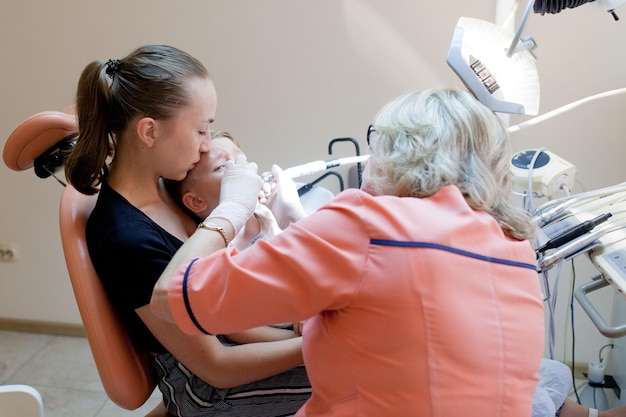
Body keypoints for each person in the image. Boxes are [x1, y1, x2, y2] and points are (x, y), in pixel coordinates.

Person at [151, 87, 546, 416]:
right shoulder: (517, 249)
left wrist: (232, 209)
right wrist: (297, 226)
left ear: (395, 150)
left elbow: (172, 297)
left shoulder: (365, 224)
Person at [64, 44, 311, 417]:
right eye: (200, 130)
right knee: (363, 368)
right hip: (205, 390)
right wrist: (320, 342)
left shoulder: (167, 190)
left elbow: (224, 305)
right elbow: (216, 367)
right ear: (149, 131)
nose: (207, 144)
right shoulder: (126, 237)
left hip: (229, 345)